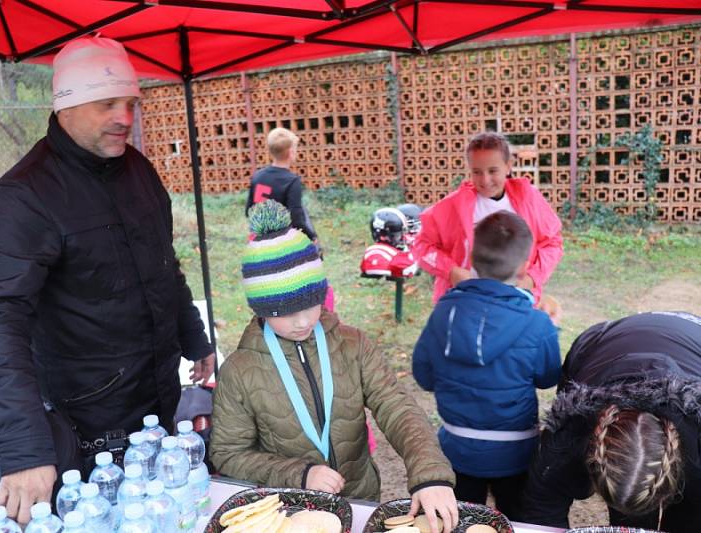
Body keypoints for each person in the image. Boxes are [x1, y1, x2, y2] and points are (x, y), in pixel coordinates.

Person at [0, 36, 214, 526]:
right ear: (65, 108)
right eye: (106, 104)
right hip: (87, 411)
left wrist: (192, 335)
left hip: (157, 394)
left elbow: (164, 263)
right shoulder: (24, 196)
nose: (124, 117)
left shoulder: (138, 170)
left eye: (129, 103)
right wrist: (24, 447)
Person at [211, 200, 459, 532]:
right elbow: (228, 453)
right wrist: (299, 474)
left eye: (311, 304)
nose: (302, 321)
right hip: (291, 512)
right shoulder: (238, 371)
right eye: (284, 311)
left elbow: (396, 407)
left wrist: (429, 475)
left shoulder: (353, 344)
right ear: (260, 308)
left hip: (361, 499)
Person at [412, 211, 561, 521]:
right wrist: (549, 331)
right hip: (517, 455)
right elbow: (548, 378)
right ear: (523, 269)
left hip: (457, 450)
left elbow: (424, 377)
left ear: (469, 255)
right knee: (516, 522)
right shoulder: (537, 323)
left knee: (462, 522)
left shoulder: (443, 313)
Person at [521, 312, 701, 533]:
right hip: (601, 342)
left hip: (693, 339)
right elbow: (539, 512)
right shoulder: (568, 433)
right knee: (629, 519)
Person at [412, 131, 563, 306]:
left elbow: (553, 243)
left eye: (493, 171)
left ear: (508, 166)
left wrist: (532, 278)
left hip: (515, 303)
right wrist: (451, 271)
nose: (485, 180)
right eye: (477, 172)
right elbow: (421, 245)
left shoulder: (528, 198)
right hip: (465, 303)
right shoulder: (452, 206)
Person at [245, 127, 318, 242]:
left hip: (258, 241)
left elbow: (249, 210)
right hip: (281, 244)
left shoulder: (257, 176)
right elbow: (297, 219)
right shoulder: (292, 181)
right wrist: (312, 237)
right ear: (291, 152)